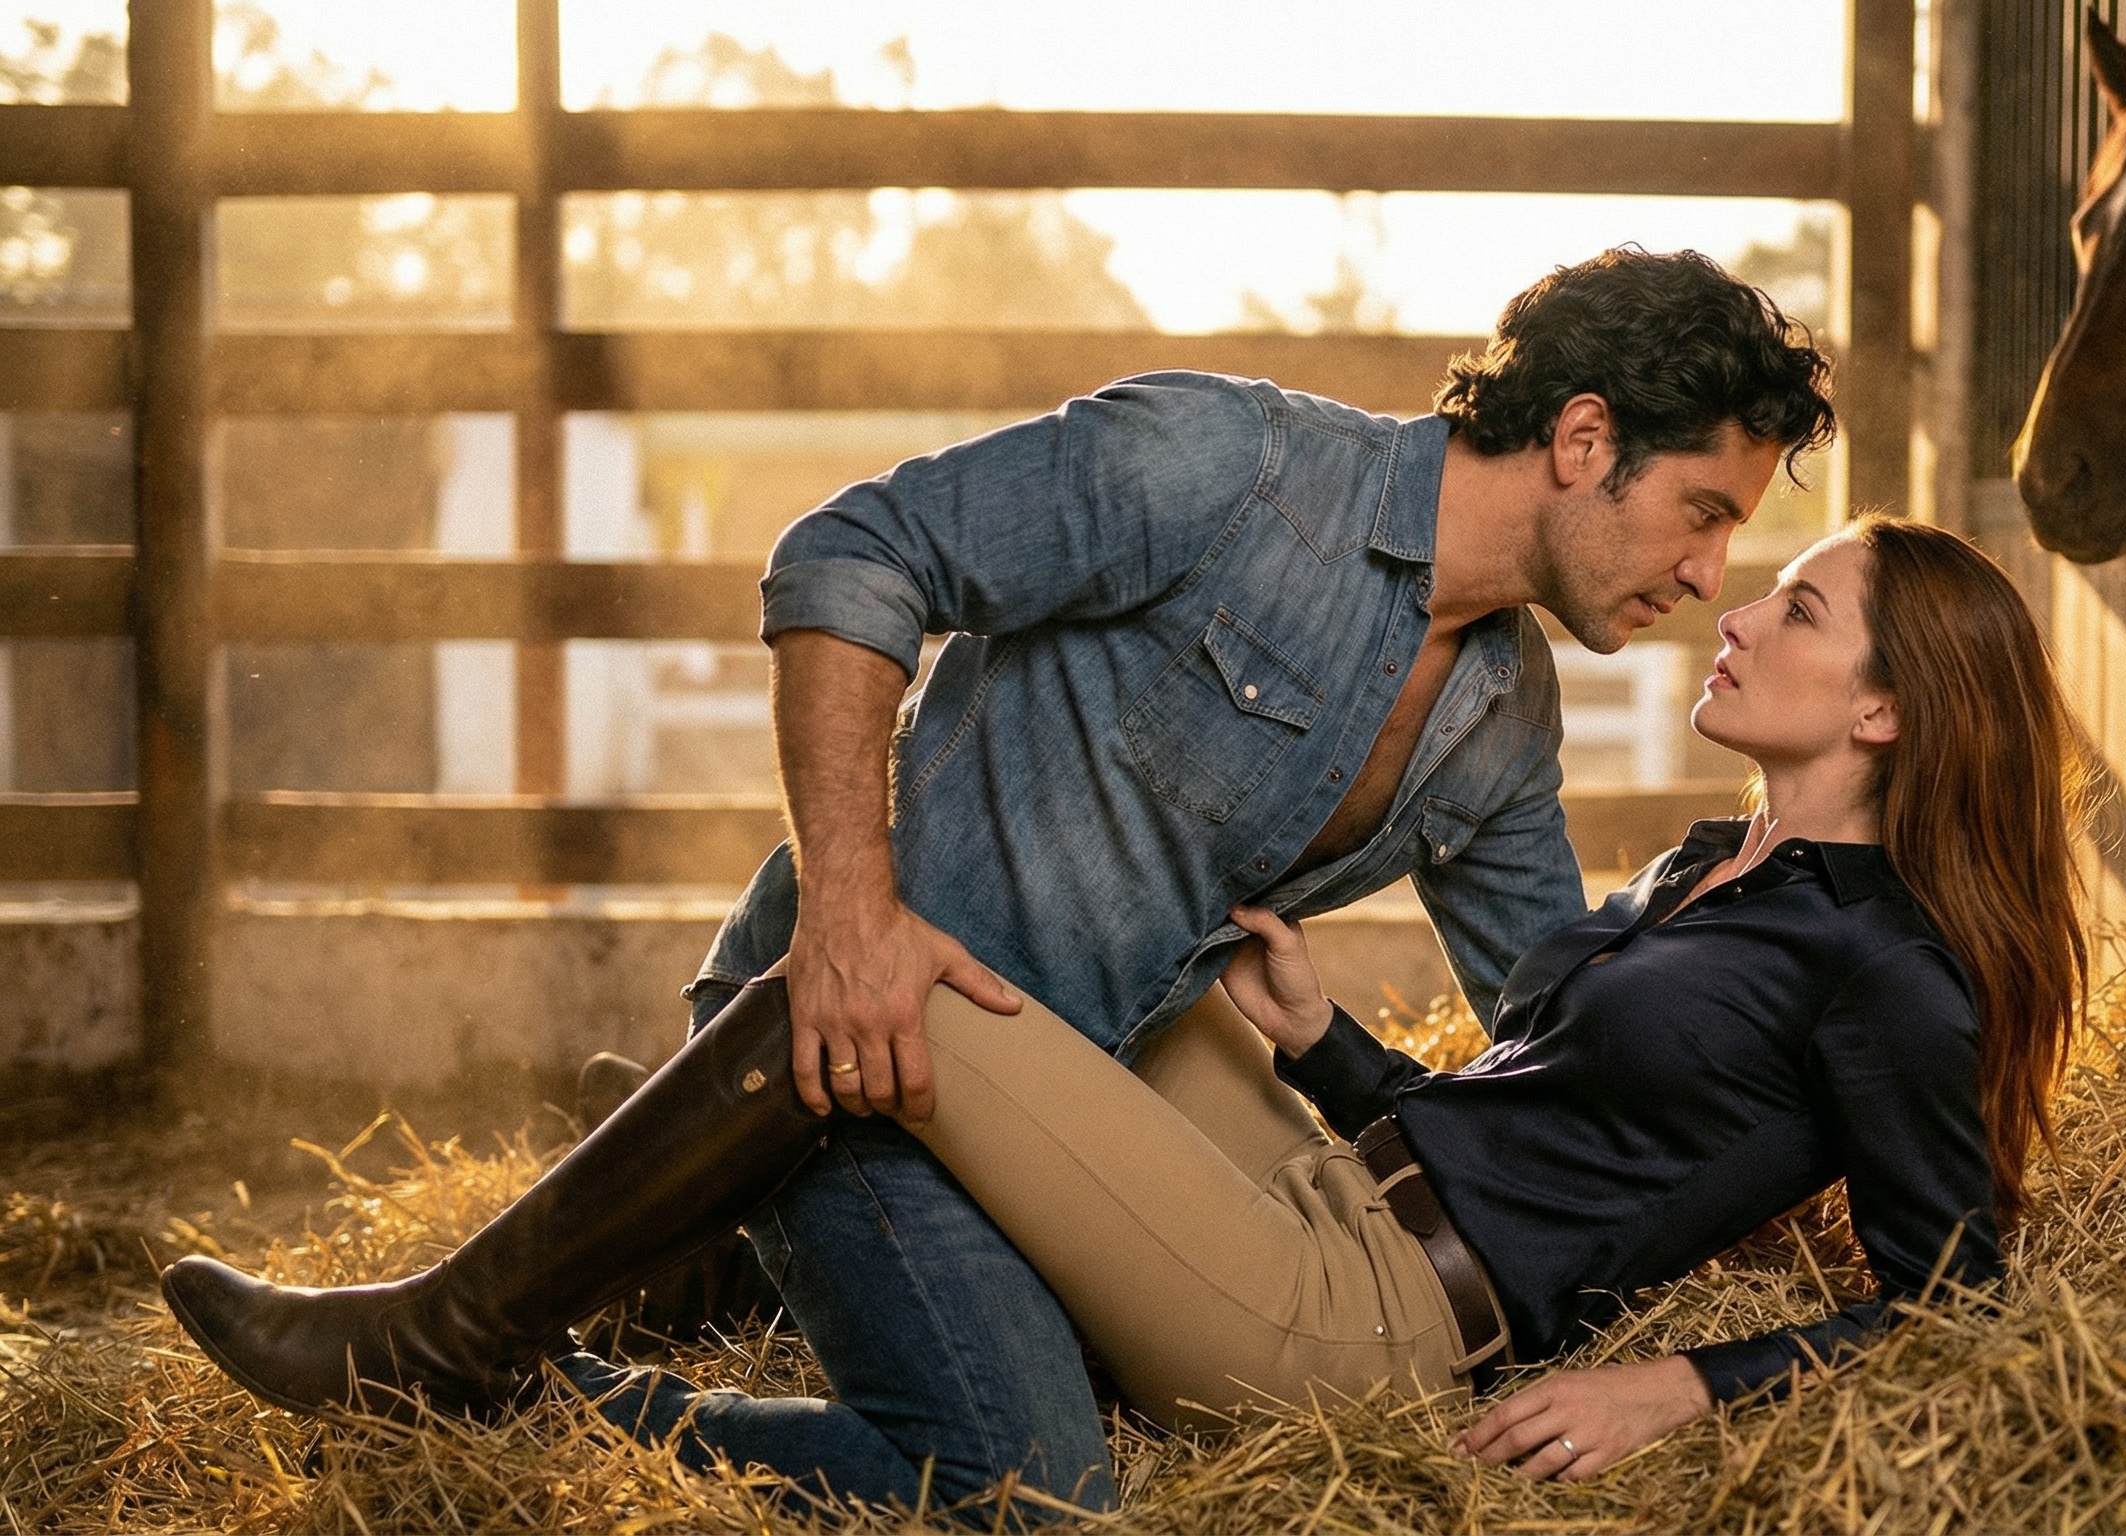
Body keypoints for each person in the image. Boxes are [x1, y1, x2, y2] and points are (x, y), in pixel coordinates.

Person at [160, 248, 1841, 1511]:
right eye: (1700, 514)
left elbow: (1554, 1012)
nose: (1707, 579)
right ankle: (476, 1357)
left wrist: (1776, 1182)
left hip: (1051, 1127)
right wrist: (847, 912)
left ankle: (709, 1245)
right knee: (1036, 1491)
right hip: (851, 1052)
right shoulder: (1227, 469)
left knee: (1144, 1399)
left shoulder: (1500, 714)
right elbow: (849, 556)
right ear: (1582, 434)